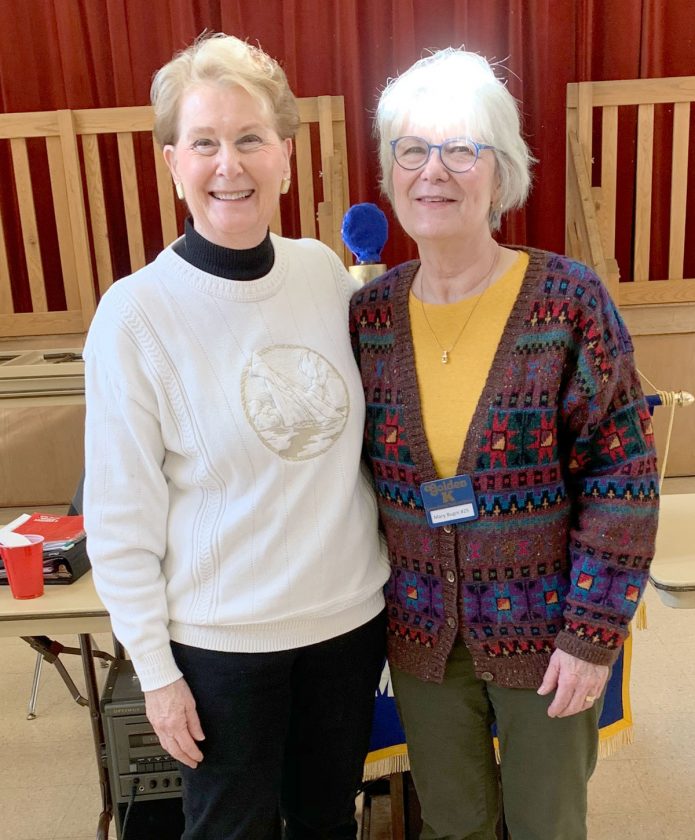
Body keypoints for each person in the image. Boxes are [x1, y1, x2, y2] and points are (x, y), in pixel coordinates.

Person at [83, 33, 389, 840]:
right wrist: (155, 672)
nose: (230, 165)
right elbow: (119, 516)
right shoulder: (135, 315)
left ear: (284, 154)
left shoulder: (323, 274)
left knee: (328, 823)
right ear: (172, 162)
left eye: (250, 138)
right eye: (204, 143)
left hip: (347, 624)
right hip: (221, 648)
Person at [349, 48, 659, 840]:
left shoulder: (567, 301)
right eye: (411, 150)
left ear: (500, 171)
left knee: (545, 824)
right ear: (390, 171)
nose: (433, 171)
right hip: (419, 631)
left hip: (548, 629)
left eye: (461, 149)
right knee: (452, 824)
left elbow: (622, 476)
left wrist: (592, 634)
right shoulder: (368, 318)